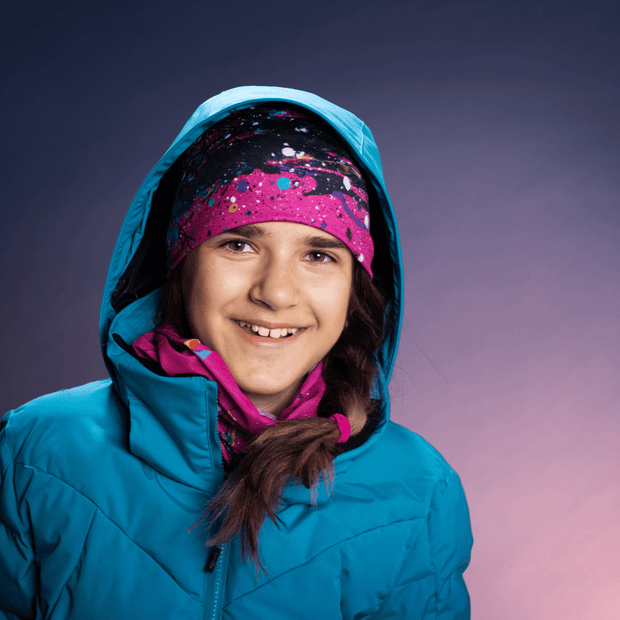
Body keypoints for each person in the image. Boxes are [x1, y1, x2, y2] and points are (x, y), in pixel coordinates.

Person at [0, 86, 473, 619]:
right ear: (182, 265)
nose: (275, 292)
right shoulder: (37, 451)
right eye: (239, 244)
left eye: (319, 254)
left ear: (353, 290)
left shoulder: (417, 490)